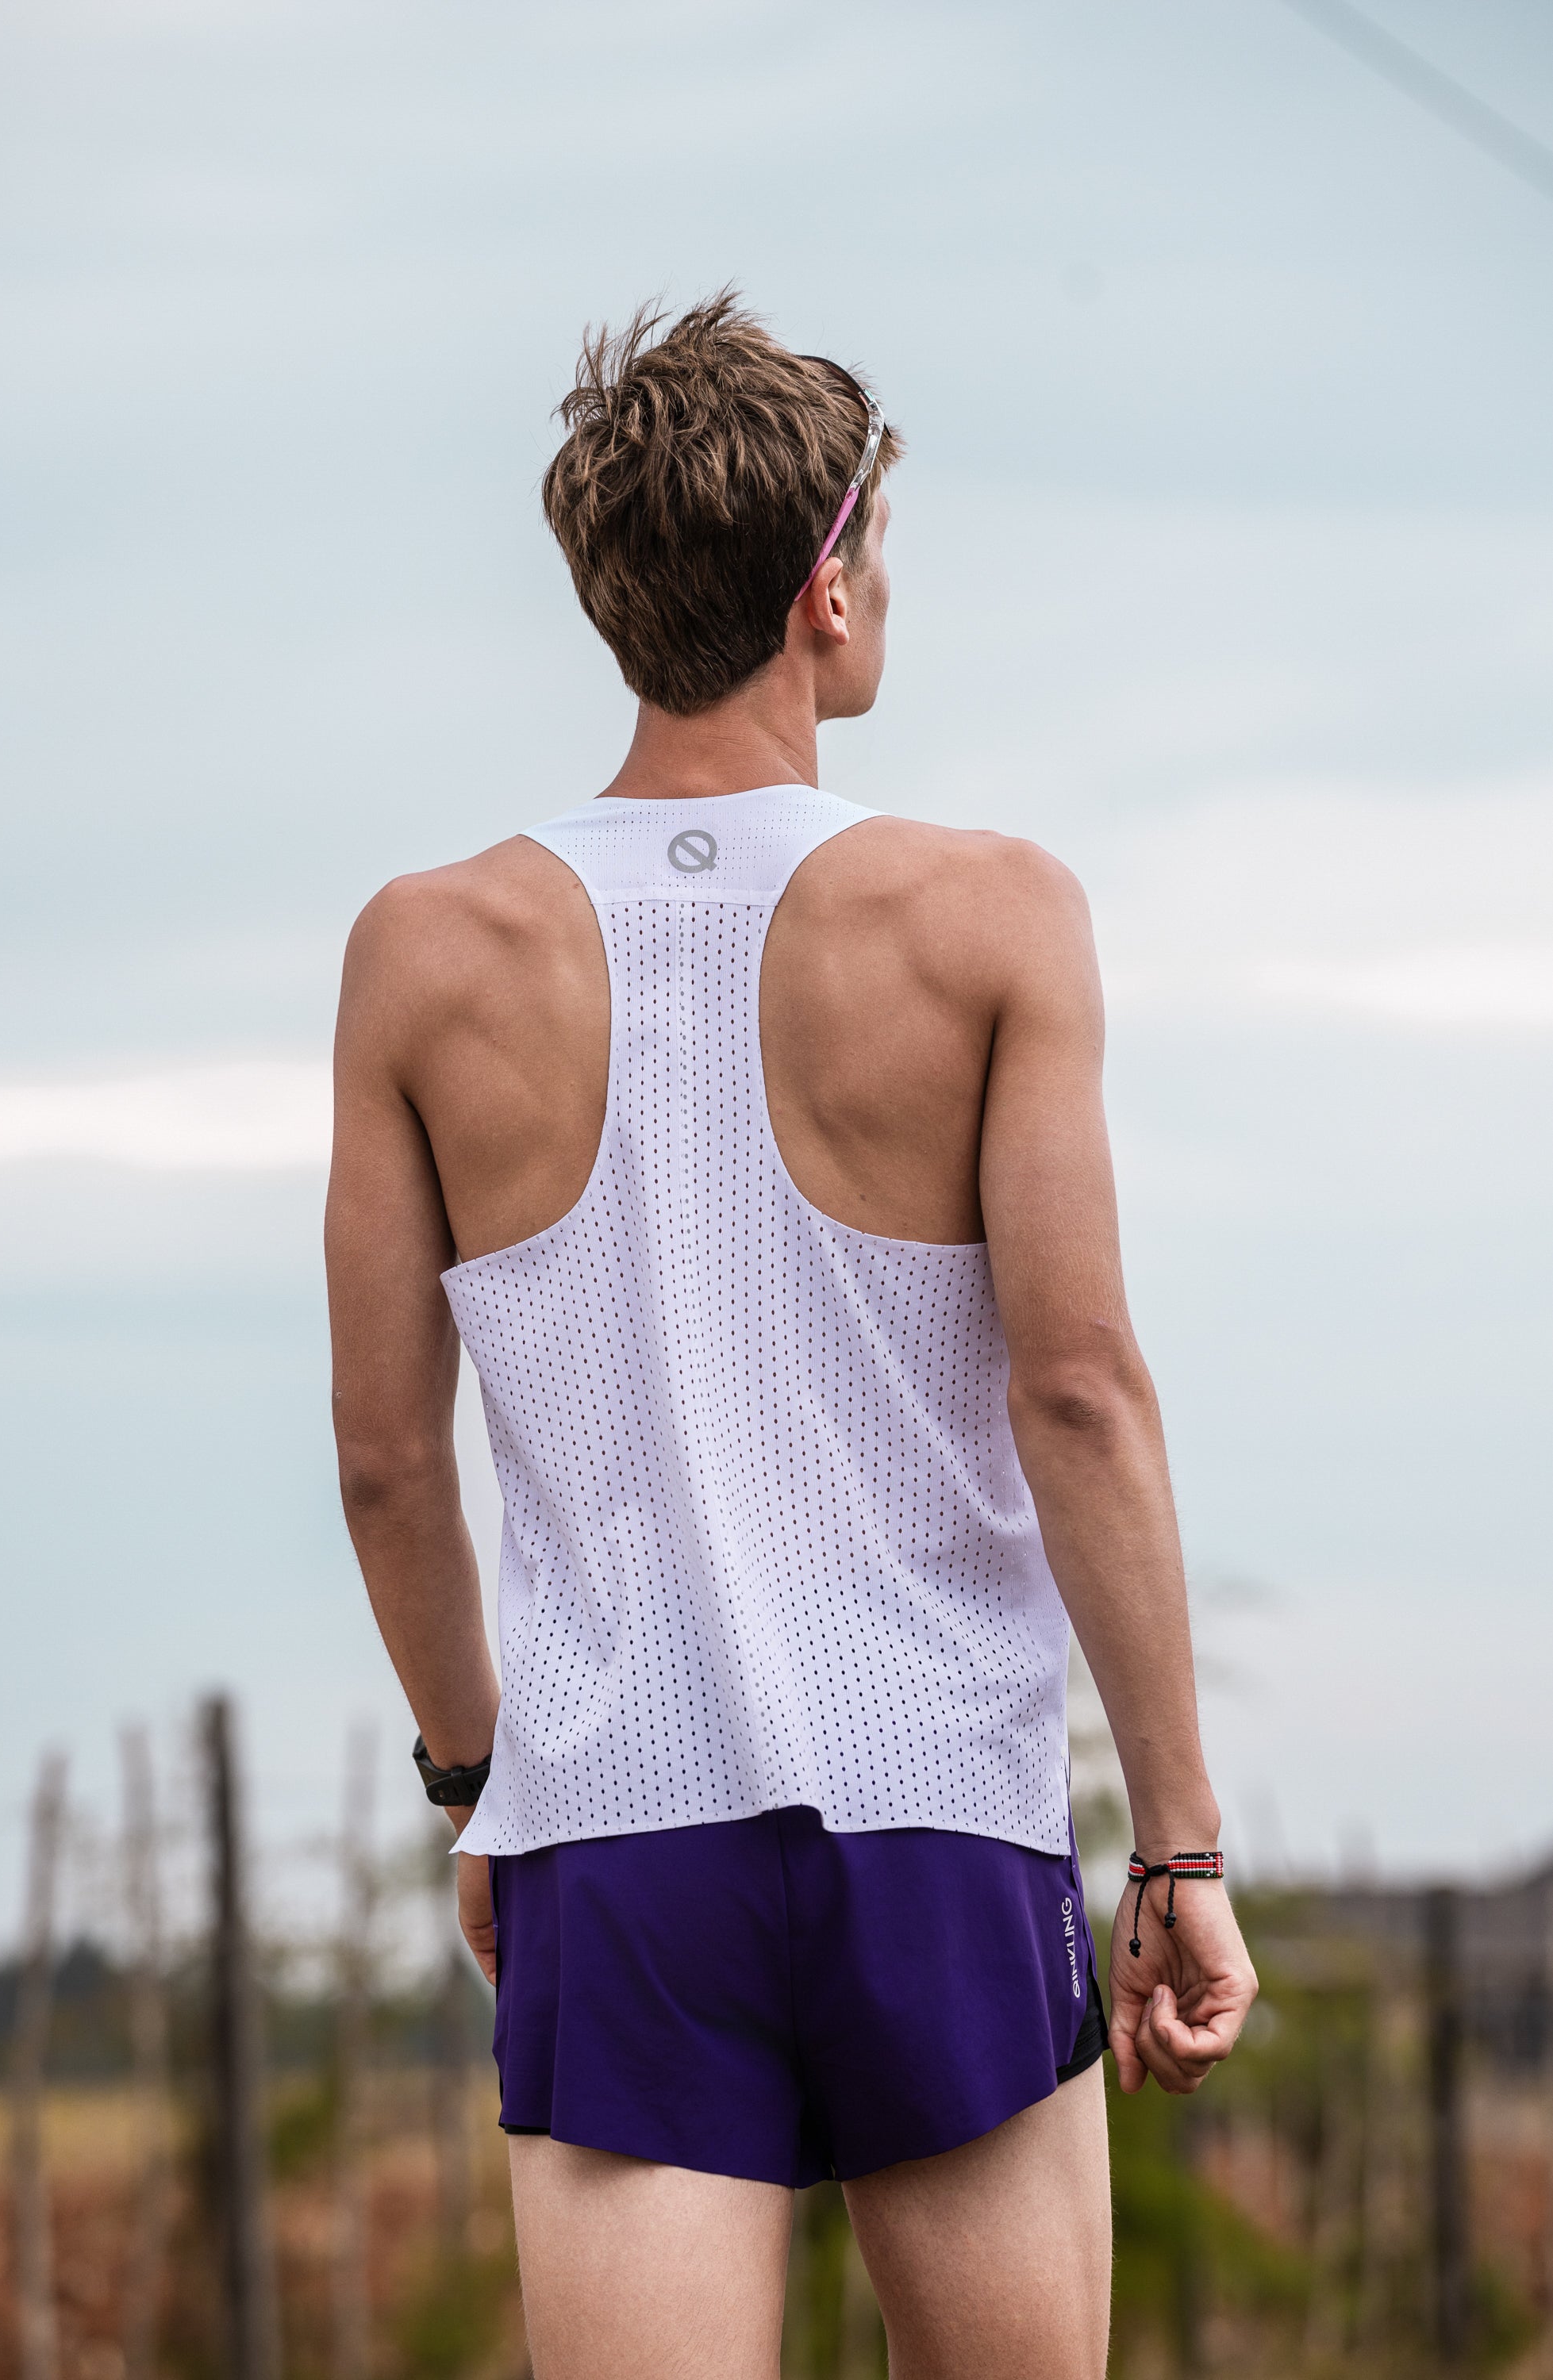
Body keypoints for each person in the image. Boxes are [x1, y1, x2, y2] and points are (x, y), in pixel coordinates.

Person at [325, 294, 1257, 2380]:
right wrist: (1180, 1843)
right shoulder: (991, 914)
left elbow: (385, 1461)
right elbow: (1078, 1391)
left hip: (616, 1831)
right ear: (823, 587)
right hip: (936, 1806)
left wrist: (480, 1786)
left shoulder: (424, 952)